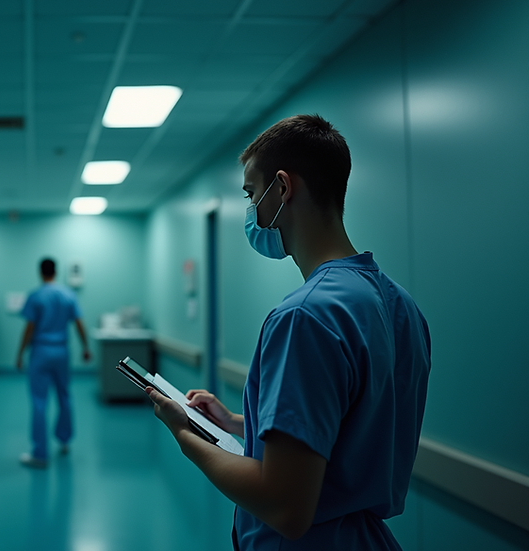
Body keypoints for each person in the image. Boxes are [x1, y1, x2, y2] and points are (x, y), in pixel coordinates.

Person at [146, 115, 430, 549]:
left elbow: (284, 506)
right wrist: (239, 423)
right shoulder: (400, 306)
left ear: (282, 187)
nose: (251, 209)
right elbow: (346, 430)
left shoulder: (304, 316)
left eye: (252, 193)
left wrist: (184, 434)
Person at [15, 258, 91, 469]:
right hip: (62, 351)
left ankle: (40, 454)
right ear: (56, 272)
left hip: (40, 351)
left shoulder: (36, 295)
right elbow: (79, 323)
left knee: (39, 401)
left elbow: (29, 328)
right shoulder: (68, 294)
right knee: (64, 395)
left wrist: (20, 353)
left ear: (40, 272)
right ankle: (64, 440)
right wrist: (86, 347)